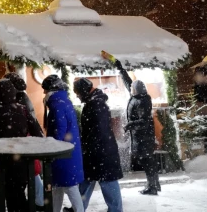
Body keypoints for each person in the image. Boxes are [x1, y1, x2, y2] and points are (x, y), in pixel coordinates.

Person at [102, 51, 160, 195]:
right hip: (140, 137)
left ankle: (152, 186)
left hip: (144, 137)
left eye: (132, 88)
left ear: (137, 90)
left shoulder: (142, 101)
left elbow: (144, 122)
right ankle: (154, 185)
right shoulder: (136, 95)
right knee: (147, 161)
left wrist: (129, 125)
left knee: (147, 161)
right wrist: (116, 62)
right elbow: (127, 79)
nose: (130, 89)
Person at [0, 78, 43, 212]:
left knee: (12, 195)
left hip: (5, 161)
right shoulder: (22, 110)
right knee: (19, 193)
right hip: (23, 160)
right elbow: (37, 133)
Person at [73, 77, 123, 212]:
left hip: (101, 153)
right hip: (100, 151)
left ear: (84, 91)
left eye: (77, 93)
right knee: (90, 180)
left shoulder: (96, 104)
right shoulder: (95, 102)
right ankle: (78, 207)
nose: (77, 96)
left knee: (107, 182)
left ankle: (115, 210)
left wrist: (88, 147)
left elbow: (98, 130)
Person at [41, 74, 85, 212]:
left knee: (68, 186)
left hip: (63, 154)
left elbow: (60, 127)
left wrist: (55, 147)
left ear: (51, 89)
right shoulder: (63, 101)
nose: (43, 92)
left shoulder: (56, 104)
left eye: (45, 89)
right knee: (60, 186)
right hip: (69, 151)